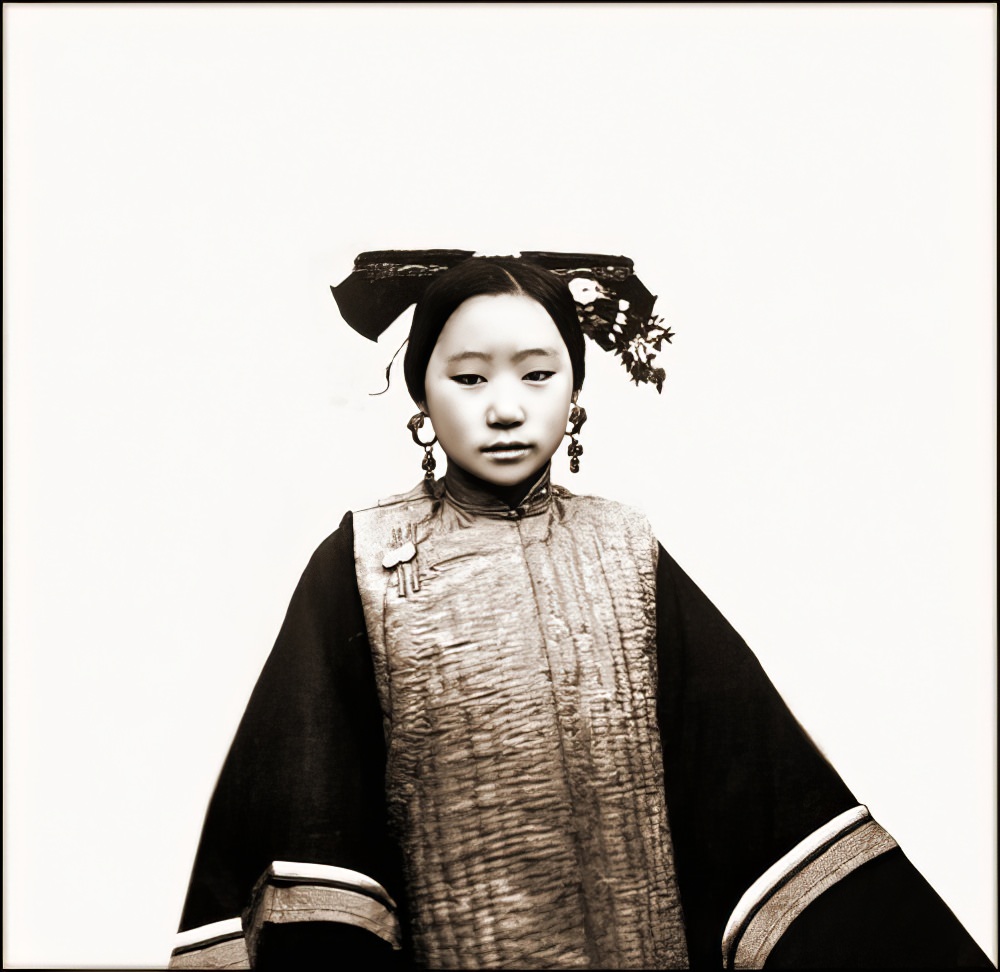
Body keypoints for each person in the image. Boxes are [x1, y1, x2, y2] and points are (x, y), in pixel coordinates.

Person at [169, 251, 992, 970]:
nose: (504, 406)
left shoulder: (626, 551)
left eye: (537, 372)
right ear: (420, 389)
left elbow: (757, 785)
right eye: (468, 376)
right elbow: (307, 820)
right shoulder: (363, 559)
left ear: (575, 390)